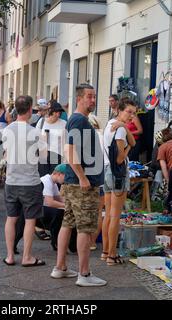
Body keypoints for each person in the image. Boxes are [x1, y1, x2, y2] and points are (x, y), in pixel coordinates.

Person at [51, 83, 106, 287]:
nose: (93, 100)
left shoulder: (77, 120)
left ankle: (60, 267)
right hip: (82, 185)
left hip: (74, 184)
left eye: (94, 96)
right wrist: (83, 177)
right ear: (79, 98)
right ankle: (84, 274)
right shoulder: (78, 120)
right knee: (85, 227)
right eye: (89, 97)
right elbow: (70, 150)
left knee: (68, 223)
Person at [2, 95, 45, 267]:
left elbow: (5, 152)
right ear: (29, 110)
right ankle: (27, 257)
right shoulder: (34, 132)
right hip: (30, 182)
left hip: (11, 180)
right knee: (29, 220)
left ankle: (10, 256)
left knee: (11, 218)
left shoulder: (7, 130)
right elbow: (43, 156)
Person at [102, 99, 137, 266]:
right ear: (120, 111)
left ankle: (105, 252)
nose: (132, 116)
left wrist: (123, 126)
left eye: (134, 112)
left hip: (107, 171)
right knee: (115, 216)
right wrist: (129, 148)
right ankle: (112, 255)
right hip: (118, 172)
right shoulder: (121, 130)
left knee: (108, 214)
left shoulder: (111, 124)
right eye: (129, 112)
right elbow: (120, 157)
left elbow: (134, 141)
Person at [36, 102, 66, 176]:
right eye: (56, 112)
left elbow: (65, 141)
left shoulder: (63, 123)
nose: (58, 114)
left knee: (55, 180)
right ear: (50, 111)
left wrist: (65, 158)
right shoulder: (42, 122)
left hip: (57, 155)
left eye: (59, 112)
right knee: (43, 179)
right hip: (43, 155)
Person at [88, 114, 104, 251]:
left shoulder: (87, 135)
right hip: (103, 175)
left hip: (90, 175)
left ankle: (85, 241)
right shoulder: (102, 135)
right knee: (99, 211)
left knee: (87, 210)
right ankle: (92, 242)